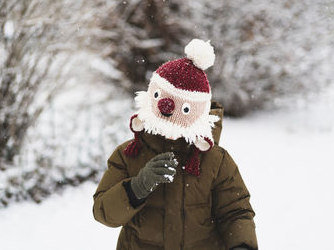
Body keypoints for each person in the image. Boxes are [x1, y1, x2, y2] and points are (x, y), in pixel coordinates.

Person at [93, 39, 258, 250]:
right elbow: (103, 212)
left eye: (185, 111)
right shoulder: (129, 154)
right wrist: (137, 187)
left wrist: (241, 245)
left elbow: (235, 211)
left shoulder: (215, 160)